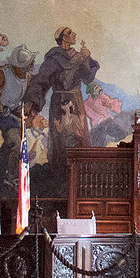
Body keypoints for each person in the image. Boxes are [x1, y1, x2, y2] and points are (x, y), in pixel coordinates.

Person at [22, 26, 99, 188]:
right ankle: (61, 178)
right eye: (70, 33)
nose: (74, 34)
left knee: (78, 135)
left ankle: (80, 177)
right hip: (59, 102)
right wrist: (31, 100)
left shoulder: (78, 57)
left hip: (76, 101)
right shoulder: (54, 59)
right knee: (60, 138)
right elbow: (41, 80)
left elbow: (87, 78)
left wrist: (88, 59)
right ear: (63, 38)